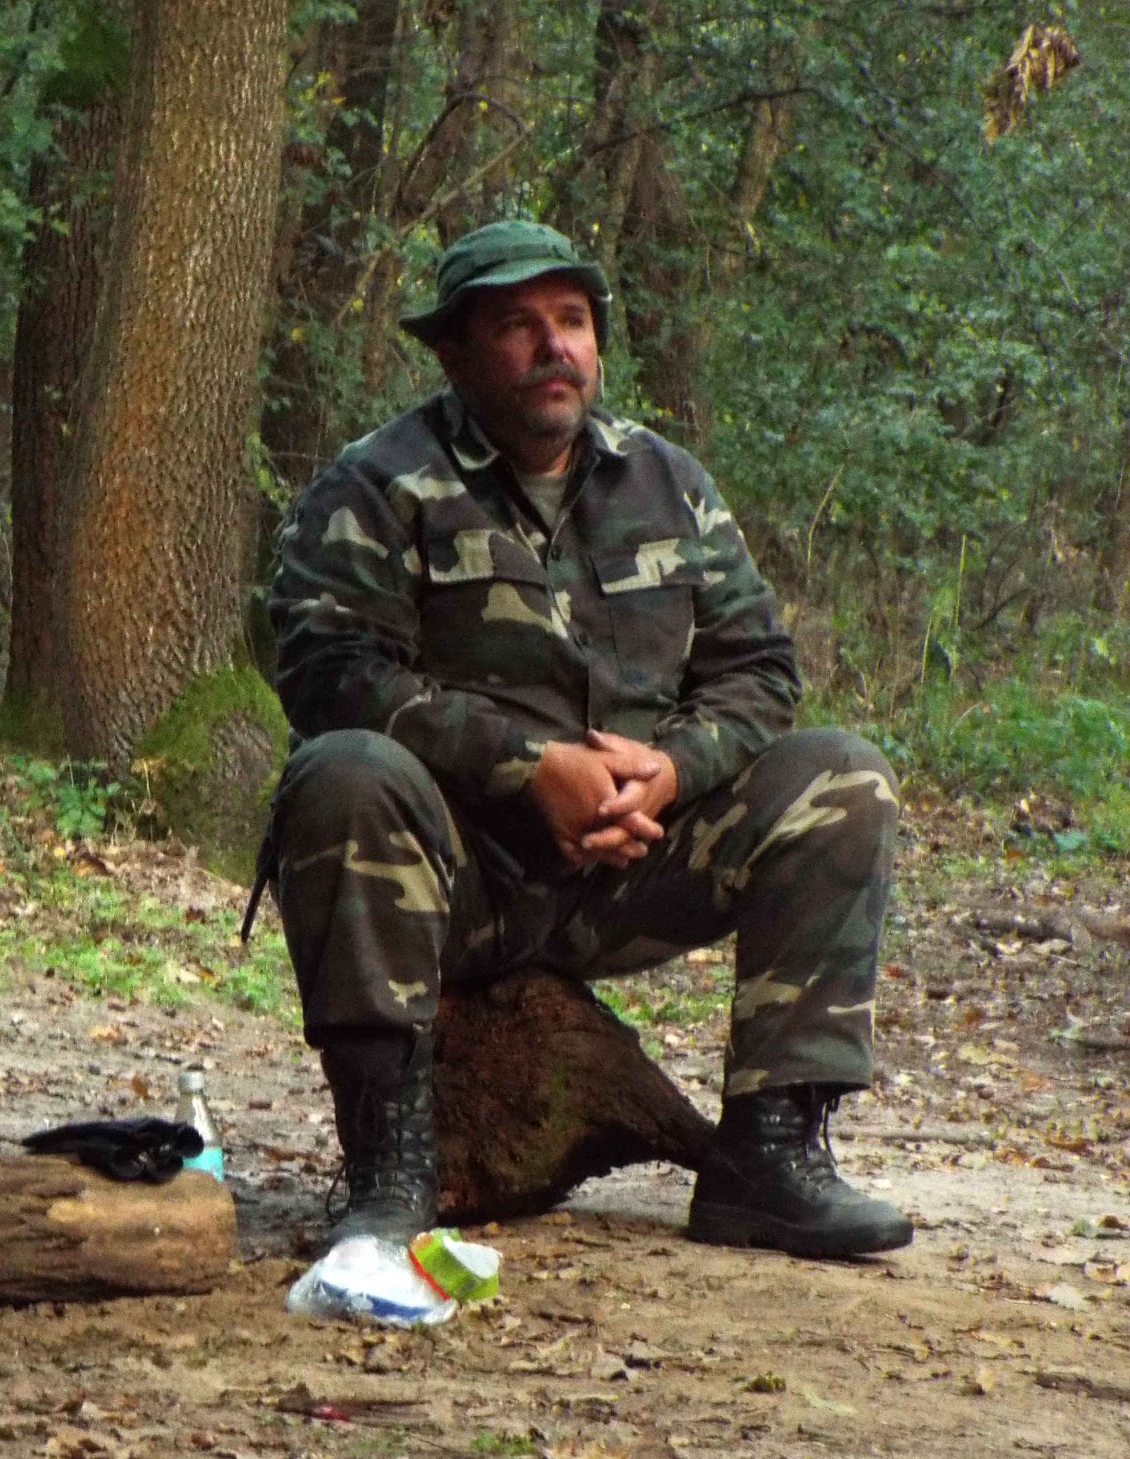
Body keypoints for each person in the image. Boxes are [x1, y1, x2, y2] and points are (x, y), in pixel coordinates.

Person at [264, 219, 911, 1259]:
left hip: (632, 867)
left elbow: (758, 669)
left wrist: (671, 770)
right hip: (458, 876)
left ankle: (770, 1156)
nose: (553, 346)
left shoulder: (666, 483)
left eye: (570, 320)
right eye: (517, 326)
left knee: (842, 777)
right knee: (342, 771)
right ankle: (389, 1167)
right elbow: (327, 671)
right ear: (454, 353)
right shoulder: (378, 485)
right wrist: (529, 770)